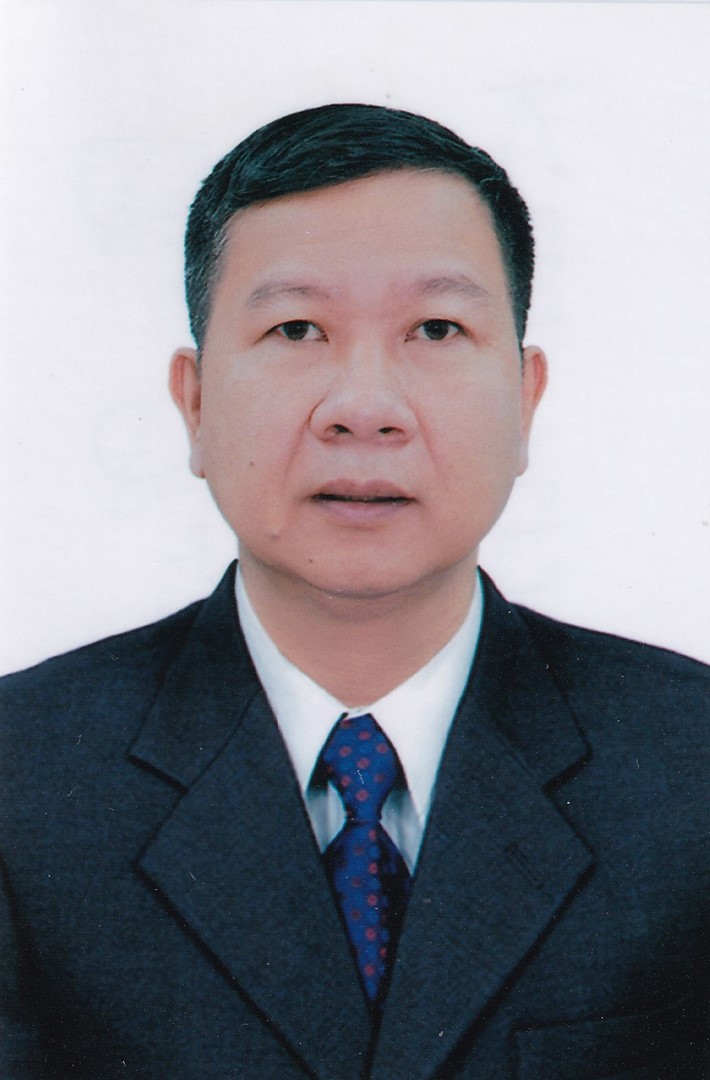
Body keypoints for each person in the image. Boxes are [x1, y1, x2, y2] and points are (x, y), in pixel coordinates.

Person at [0, 104, 706, 1080]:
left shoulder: (689, 767)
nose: (364, 409)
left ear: (524, 399)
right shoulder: (23, 781)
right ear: (195, 403)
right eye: (296, 328)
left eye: (436, 328)